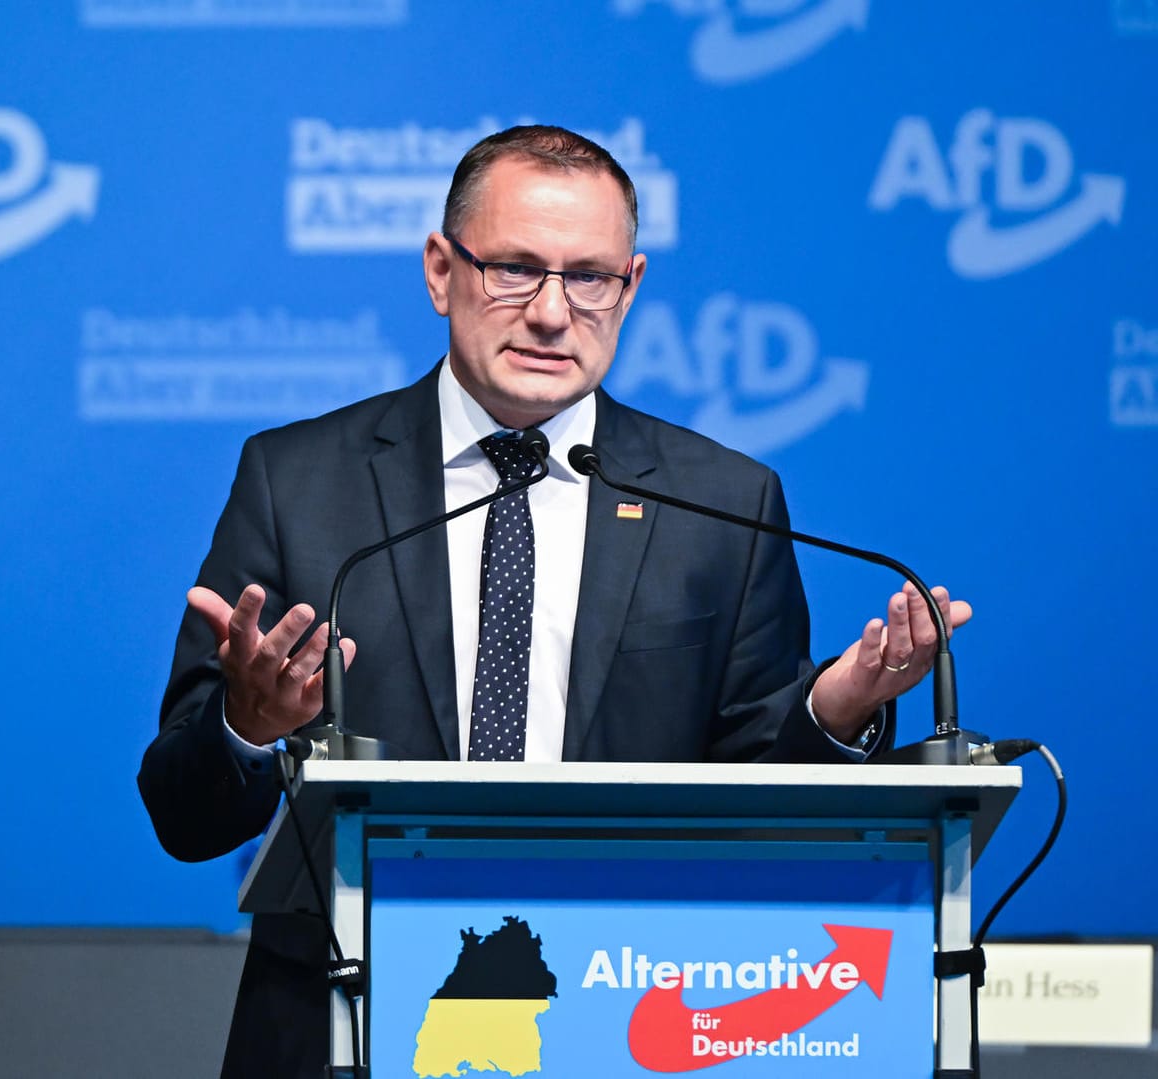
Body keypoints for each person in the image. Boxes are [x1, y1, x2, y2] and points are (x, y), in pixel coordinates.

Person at [137, 125, 971, 1076]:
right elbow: (183, 818)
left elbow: (761, 811)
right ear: (441, 270)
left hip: (627, 1024)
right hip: (344, 1033)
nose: (550, 312)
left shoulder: (726, 502)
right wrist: (246, 724)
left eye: (589, 277)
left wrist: (836, 710)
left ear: (633, 286)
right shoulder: (297, 481)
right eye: (514, 270)